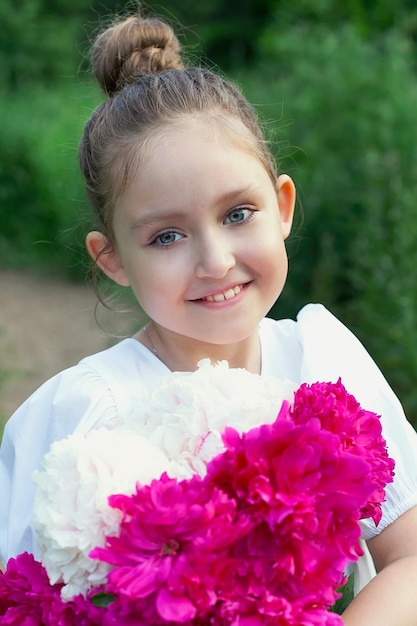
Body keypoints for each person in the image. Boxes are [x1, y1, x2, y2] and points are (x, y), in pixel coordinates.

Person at [1, 11, 417, 624]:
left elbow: (408, 558)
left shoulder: (324, 362)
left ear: (282, 207)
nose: (215, 261)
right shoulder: (84, 419)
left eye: (237, 214)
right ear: (112, 258)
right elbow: (28, 605)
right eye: (167, 237)